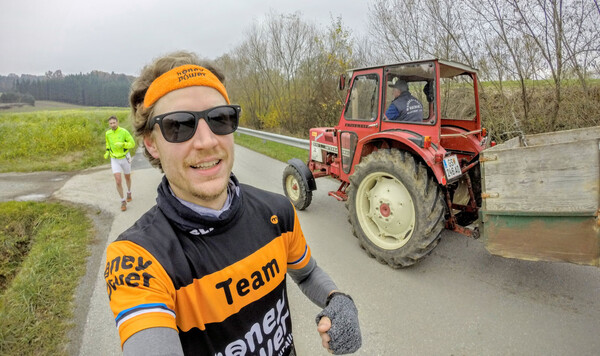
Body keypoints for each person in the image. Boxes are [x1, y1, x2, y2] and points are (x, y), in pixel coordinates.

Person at [104, 51, 361, 356]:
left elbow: (305, 273)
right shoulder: (138, 257)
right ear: (151, 142)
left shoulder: (277, 211)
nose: (207, 141)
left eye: (219, 119)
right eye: (178, 125)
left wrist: (336, 298)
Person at [104, 116, 136, 211]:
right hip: (114, 159)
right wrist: (107, 152)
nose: (112, 125)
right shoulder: (108, 133)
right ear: (109, 124)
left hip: (125, 157)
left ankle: (129, 192)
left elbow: (132, 143)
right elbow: (108, 144)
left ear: (117, 122)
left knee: (127, 177)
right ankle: (123, 201)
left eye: (114, 123)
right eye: (111, 123)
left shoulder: (124, 132)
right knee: (118, 180)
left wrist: (123, 144)